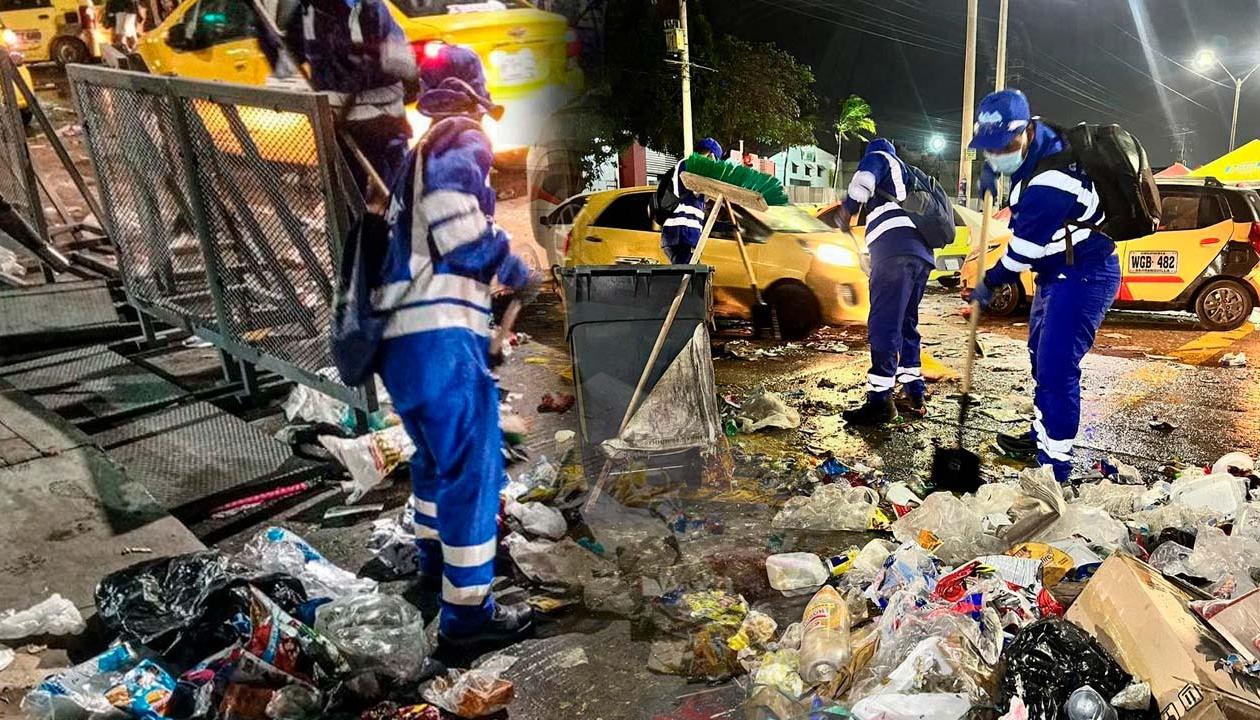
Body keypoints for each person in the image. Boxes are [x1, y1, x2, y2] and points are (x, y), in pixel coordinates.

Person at [370, 44, 535, 654]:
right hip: (439, 336)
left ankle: (434, 565)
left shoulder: (414, 153)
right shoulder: (461, 135)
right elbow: (457, 224)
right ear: (473, 92)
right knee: (473, 467)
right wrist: (513, 265)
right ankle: (467, 618)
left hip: (401, 342)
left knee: (435, 462)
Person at [968, 88, 1121, 483]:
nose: (995, 154)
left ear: (1023, 133)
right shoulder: (1040, 142)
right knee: (1040, 357)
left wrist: (989, 283)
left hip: (1084, 275)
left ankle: (1055, 466)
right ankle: (1041, 436)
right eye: (988, 148)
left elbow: (1022, 253)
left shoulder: (1053, 180)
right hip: (1057, 274)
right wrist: (993, 172)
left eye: (1000, 147)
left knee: (1056, 369)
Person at [263, 0, 417, 194]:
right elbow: (284, 66)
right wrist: (264, 29)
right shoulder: (307, 12)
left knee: (395, 198)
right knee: (350, 205)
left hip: (382, 129)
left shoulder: (368, 8)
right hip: (340, 128)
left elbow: (404, 64)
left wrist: (368, 59)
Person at [837, 138, 936, 426]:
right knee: (906, 322)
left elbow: (863, 180)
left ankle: (880, 400)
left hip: (895, 253)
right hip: (920, 256)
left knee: (883, 324)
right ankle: (914, 392)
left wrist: (847, 209)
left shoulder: (880, 156)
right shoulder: (907, 177)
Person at [661, 137, 723, 264]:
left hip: (683, 235)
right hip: (682, 233)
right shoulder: (689, 164)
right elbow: (695, 190)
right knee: (688, 278)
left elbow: (704, 197)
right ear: (711, 156)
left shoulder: (691, 167)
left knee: (692, 277)